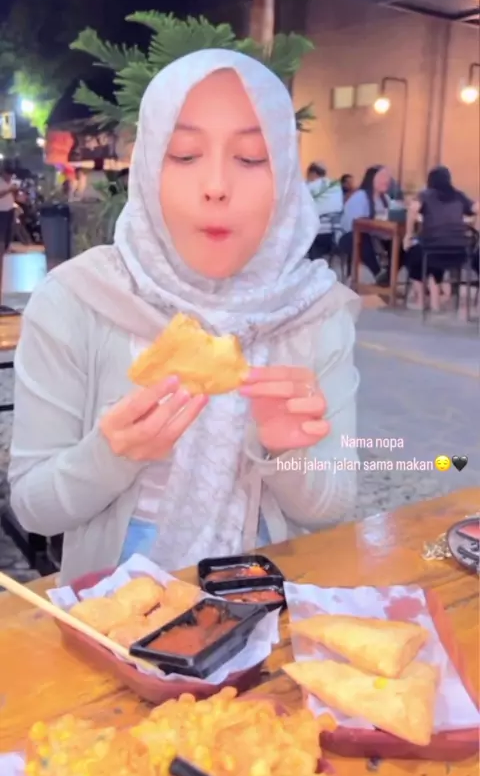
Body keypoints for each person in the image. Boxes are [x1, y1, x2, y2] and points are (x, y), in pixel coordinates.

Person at [9, 51, 360, 583]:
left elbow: (331, 508)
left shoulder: (313, 309)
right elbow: (34, 508)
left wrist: (287, 452)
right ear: (148, 167)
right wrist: (112, 453)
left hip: (257, 595)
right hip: (113, 606)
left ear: (287, 177)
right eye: (184, 154)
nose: (216, 185)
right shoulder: (77, 300)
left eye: (250, 158)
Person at [404, 166, 478, 311]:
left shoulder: (426, 195)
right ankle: (435, 300)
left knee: (412, 255)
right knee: (434, 256)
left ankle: (421, 300)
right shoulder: (458, 195)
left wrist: (408, 234)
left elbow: (413, 209)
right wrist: (475, 228)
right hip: (459, 252)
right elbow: (478, 208)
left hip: (432, 248)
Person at [338, 165, 392, 283]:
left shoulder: (386, 199)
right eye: (382, 177)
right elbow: (355, 224)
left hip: (377, 236)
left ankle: (390, 275)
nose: (386, 180)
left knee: (398, 244)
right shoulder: (360, 196)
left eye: (388, 177)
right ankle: (378, 274)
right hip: (349, 236)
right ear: (372, 178)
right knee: (362, 237)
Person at [305, 162, 343, 260]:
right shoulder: (335, 186)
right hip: (334, 232)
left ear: (313, 173)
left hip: (316, 232)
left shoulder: (309, 187)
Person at [0, 160, 18, 252]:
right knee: (1, 235)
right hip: (1, 210)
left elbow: (14, 197)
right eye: (8, 174)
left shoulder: (11, 182)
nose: (9, 176)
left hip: (10, 209)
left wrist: (15, 192)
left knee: (8, 234)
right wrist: (9, 190)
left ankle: (5, 249)